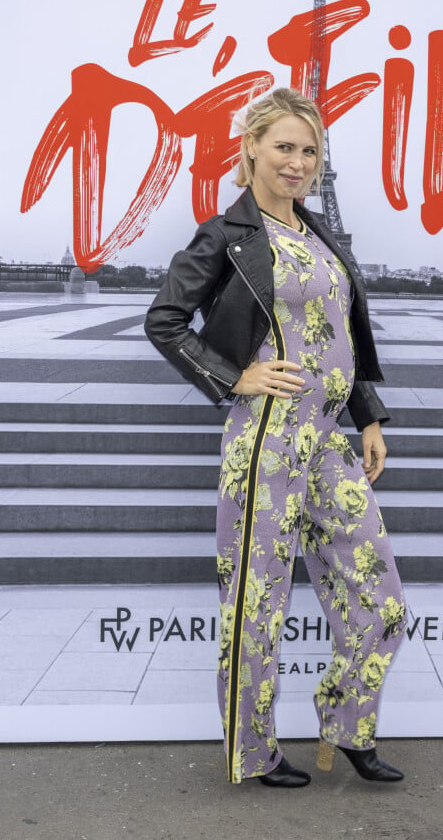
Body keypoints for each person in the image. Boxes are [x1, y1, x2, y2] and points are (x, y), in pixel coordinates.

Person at [144, 87, 407, 788]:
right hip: (264, 439)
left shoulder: (319, 234)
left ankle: (347, 726)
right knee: (257, 603)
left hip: (326, 440)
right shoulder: (225, 233)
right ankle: (253, 751)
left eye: (309, 150)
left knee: (381, 597)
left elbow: (341, 332)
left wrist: (369, 414)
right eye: (284, 146)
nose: (297, 161)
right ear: (252, 146)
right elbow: (165, 320)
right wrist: (236, 376)